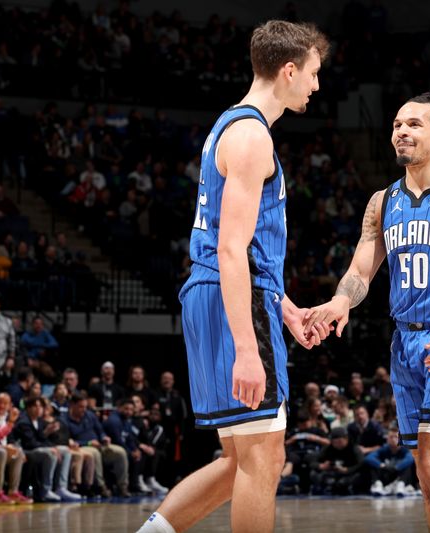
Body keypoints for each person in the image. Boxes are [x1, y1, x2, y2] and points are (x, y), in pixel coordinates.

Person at [137, 20, 331, 533]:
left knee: (235, 463)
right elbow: (230, 247)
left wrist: (284, 308)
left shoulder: (231, 124)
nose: (316, 85)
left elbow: (238, 245)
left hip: (218, 293)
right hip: (230, 297)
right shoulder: (251, 137)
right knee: (264, 458)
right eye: (313, 73)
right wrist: (249, 346)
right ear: (288, 70)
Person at [304, 91, 430, 532]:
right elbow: (362, 269)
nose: (401, 131)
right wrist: (342, 299)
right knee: (424, 474)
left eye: (414, 124)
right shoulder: (383, 201)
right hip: (405, 342)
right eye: (397, 124)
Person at [0, 387, 30, 504]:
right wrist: (1, 447)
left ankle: (13, 492)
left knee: (17, 452)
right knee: (1, 452)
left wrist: (11, 422)